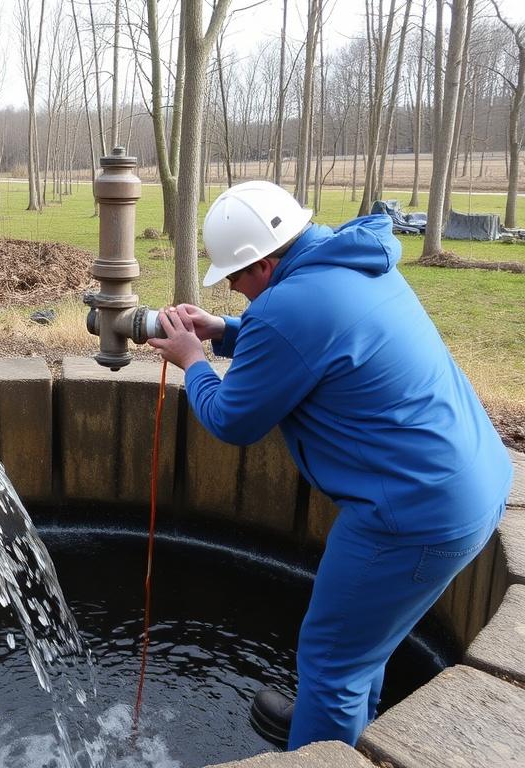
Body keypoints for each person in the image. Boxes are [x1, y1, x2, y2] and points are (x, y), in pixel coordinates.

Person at [147, 180, 512, 751]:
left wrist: (192, 360)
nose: (236, 291)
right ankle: (339, 731)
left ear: (264, 265)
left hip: (411, 515)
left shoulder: (287, 306)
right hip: (469, 483)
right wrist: (224, 331)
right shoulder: (350, 263)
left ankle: (320, 748)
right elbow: (314, 340)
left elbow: (231, 419)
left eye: (236, 278)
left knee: (331, 657)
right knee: (360, 647)